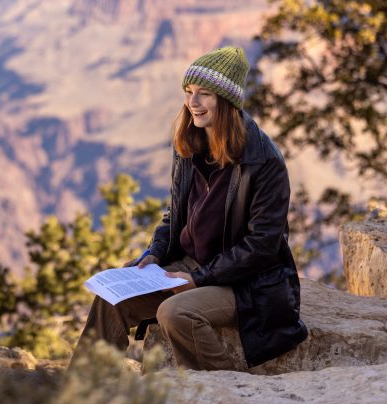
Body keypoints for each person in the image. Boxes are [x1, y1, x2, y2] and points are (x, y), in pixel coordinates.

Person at [73, 46, 308, 370]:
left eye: (204, 94)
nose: (192, 103)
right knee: (112, 295)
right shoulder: (189, 144)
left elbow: (262, 247)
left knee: (175, 313)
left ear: (227, 101)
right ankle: (82, 393)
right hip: (190, 266)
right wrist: (154, 253)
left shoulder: (264, 161)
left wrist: (199, 278)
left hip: (242, 282)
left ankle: (227, 389)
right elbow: (175, 216)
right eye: (188, 92)